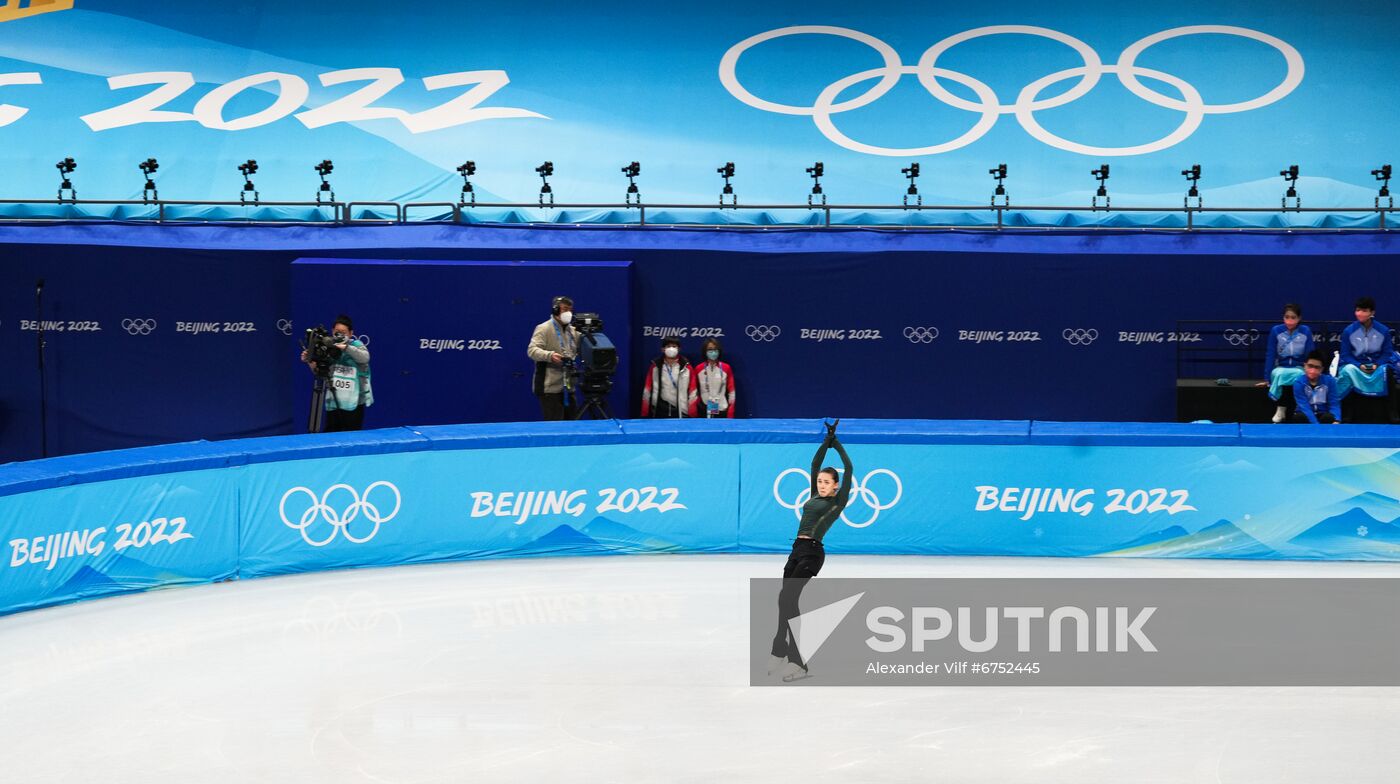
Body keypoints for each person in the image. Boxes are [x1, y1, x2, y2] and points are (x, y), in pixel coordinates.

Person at [770, 418, 852, 683]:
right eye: (820, 482)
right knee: (784, 600)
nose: (822, 485)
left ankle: (798, 662)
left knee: (790, 600)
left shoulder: (838, 501)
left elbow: (849, 468)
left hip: (812, 553)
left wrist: (836, 444)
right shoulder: (814, 495)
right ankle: (781, 649)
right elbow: (814, 465)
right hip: (796, 549)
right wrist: (824, 441)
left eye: (827, 483)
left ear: (836, 486)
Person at [301, 314, 372, 432]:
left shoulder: (357, 345)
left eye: (344, 332)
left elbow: (365, 358)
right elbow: (321, 373)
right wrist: (310, 361)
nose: (340, 334)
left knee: (352, 437)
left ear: (350, 333)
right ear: (332, 331)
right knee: (331, 434)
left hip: (354, 402)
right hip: (333, 401)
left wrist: (345, 347)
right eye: (337, 331)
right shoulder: (328, 348)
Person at [1336, 296, 1398, 421]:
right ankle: (1346, 415)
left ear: (1372, 313)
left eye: (1364, 311)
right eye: (1358, 310)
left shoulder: (1383, 331)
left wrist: (1377, 364)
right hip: (1357, 366)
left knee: (1387, 371)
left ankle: (1393, 414)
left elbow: (1387, 353)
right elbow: (1345, 355)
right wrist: (1359, 365)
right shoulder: (1348, 331)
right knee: (1347, 370)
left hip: (1377, 366)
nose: (1360, 314)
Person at [1257, 303, 1314, 423]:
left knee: (1298, 376)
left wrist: (1310, 371)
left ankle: (1296, 410)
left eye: (1293, 317)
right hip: (1280, 367)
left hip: (1299, 367)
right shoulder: (1276, 331)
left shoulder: (1305, 331)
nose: (1289, 320)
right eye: (1287, 317)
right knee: (1280, 375)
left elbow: (1310, 354)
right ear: (1283, 318)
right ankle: (1281, 408)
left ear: (1299, 318)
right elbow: (1271, 354)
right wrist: (1267, 378)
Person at [526, 295, 579, 421]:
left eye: (570, 310)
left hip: (569, 387)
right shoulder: (544, 328)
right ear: (555, 310)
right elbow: (532, 350)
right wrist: (550, 356)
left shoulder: (574, 331)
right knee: (555, 426)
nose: (568, 313)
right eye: (565, 309)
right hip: (549, 388)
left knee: (572, 426)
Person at [640, 336, 694, 418]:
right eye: (668, 346)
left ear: (679, 349)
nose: (671, 348)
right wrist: (645, 413)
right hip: (659, 410)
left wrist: (692, 413)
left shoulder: (687, 368)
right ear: (663, 349)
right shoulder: (655, 367)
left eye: (674, 346)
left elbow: (693, 392)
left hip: (680, 411)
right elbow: (647, 390)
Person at [690, 337, 737, 418]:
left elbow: (732, 391)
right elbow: (693, 390)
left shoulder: (726, 368)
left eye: (715, 349)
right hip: (704, 409)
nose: (713, 352)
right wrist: (692, 407)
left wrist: (731, 409)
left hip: (722, 409)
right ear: (705, 351)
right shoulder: (699, 368)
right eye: (710, 349)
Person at [1290, 351, 1341, 425]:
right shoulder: (1298, 383)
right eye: (1310, 366)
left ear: (1322, 369)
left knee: (1329, 417)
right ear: (1305, 366)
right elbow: (1304, 406)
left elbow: (1334, 403)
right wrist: (1316, 425)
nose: (1313, 370)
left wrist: (1337, 419)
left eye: (1317, 367)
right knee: (1299, 417)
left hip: (1323, 413)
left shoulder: (1330, 382)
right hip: (1305, 413)